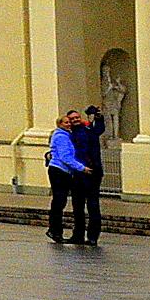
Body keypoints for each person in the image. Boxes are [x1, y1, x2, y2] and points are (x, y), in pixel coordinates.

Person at [45, 110, 90, 245]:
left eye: (69, 122)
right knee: (59, 201)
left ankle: (56, 230)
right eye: (66, 122)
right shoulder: (61, 137)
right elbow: (65, 157)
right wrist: (82, 168)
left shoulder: (65, 135)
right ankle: (54, 230)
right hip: (59, 171)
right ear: (59, 124)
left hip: (62, 171)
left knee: (60, 201)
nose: (69, 124)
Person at [67, 105, 105, 246]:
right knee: (77, 206)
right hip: (78, 173)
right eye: (72, 119)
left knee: (93, 205)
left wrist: (98, 117)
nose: (75, 120)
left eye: (77, 117)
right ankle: (78, 235)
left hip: (93, 171)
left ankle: (93, 236)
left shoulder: (89, 130)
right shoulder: (69, 134)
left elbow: (99, 128)